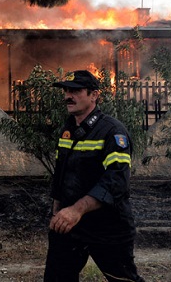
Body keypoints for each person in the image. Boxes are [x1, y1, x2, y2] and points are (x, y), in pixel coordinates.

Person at [44, 70, 145, 282]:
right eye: (66, 90)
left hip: (108, 226)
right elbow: (61, 175)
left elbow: (116, 180)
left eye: (76, 90)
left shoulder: (112, 131)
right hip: (69, 225)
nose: (67, 96)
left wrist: (76, 210)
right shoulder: (67, 131)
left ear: (94, 95)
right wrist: (57, 212)